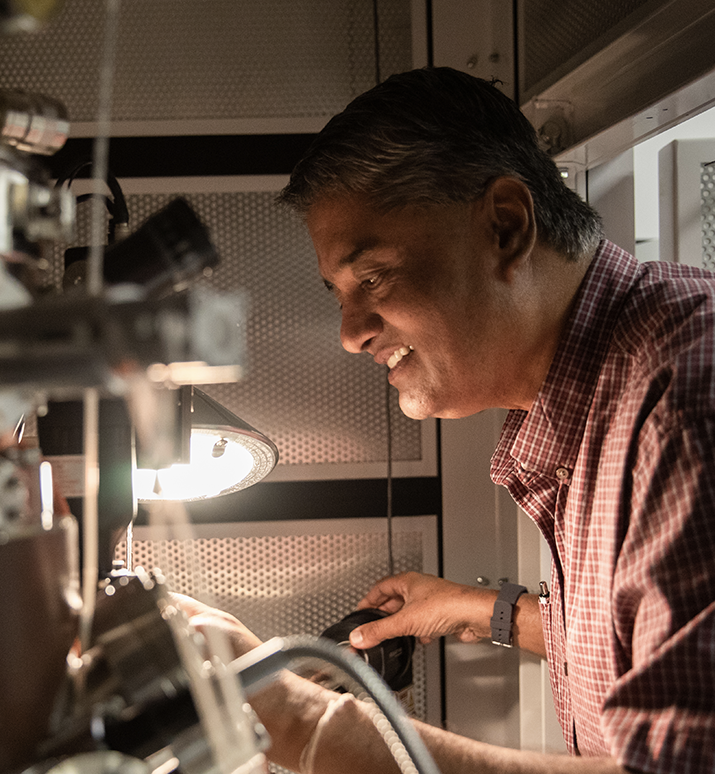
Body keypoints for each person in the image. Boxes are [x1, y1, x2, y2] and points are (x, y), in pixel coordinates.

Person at [180, 66, 715, 774]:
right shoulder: (599, 392)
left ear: (505, 226)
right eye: (338, 293)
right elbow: (651, 638)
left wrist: (298, 718)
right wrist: (477, 611)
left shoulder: (681, 405)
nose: (350, 332)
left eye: (371, 278)